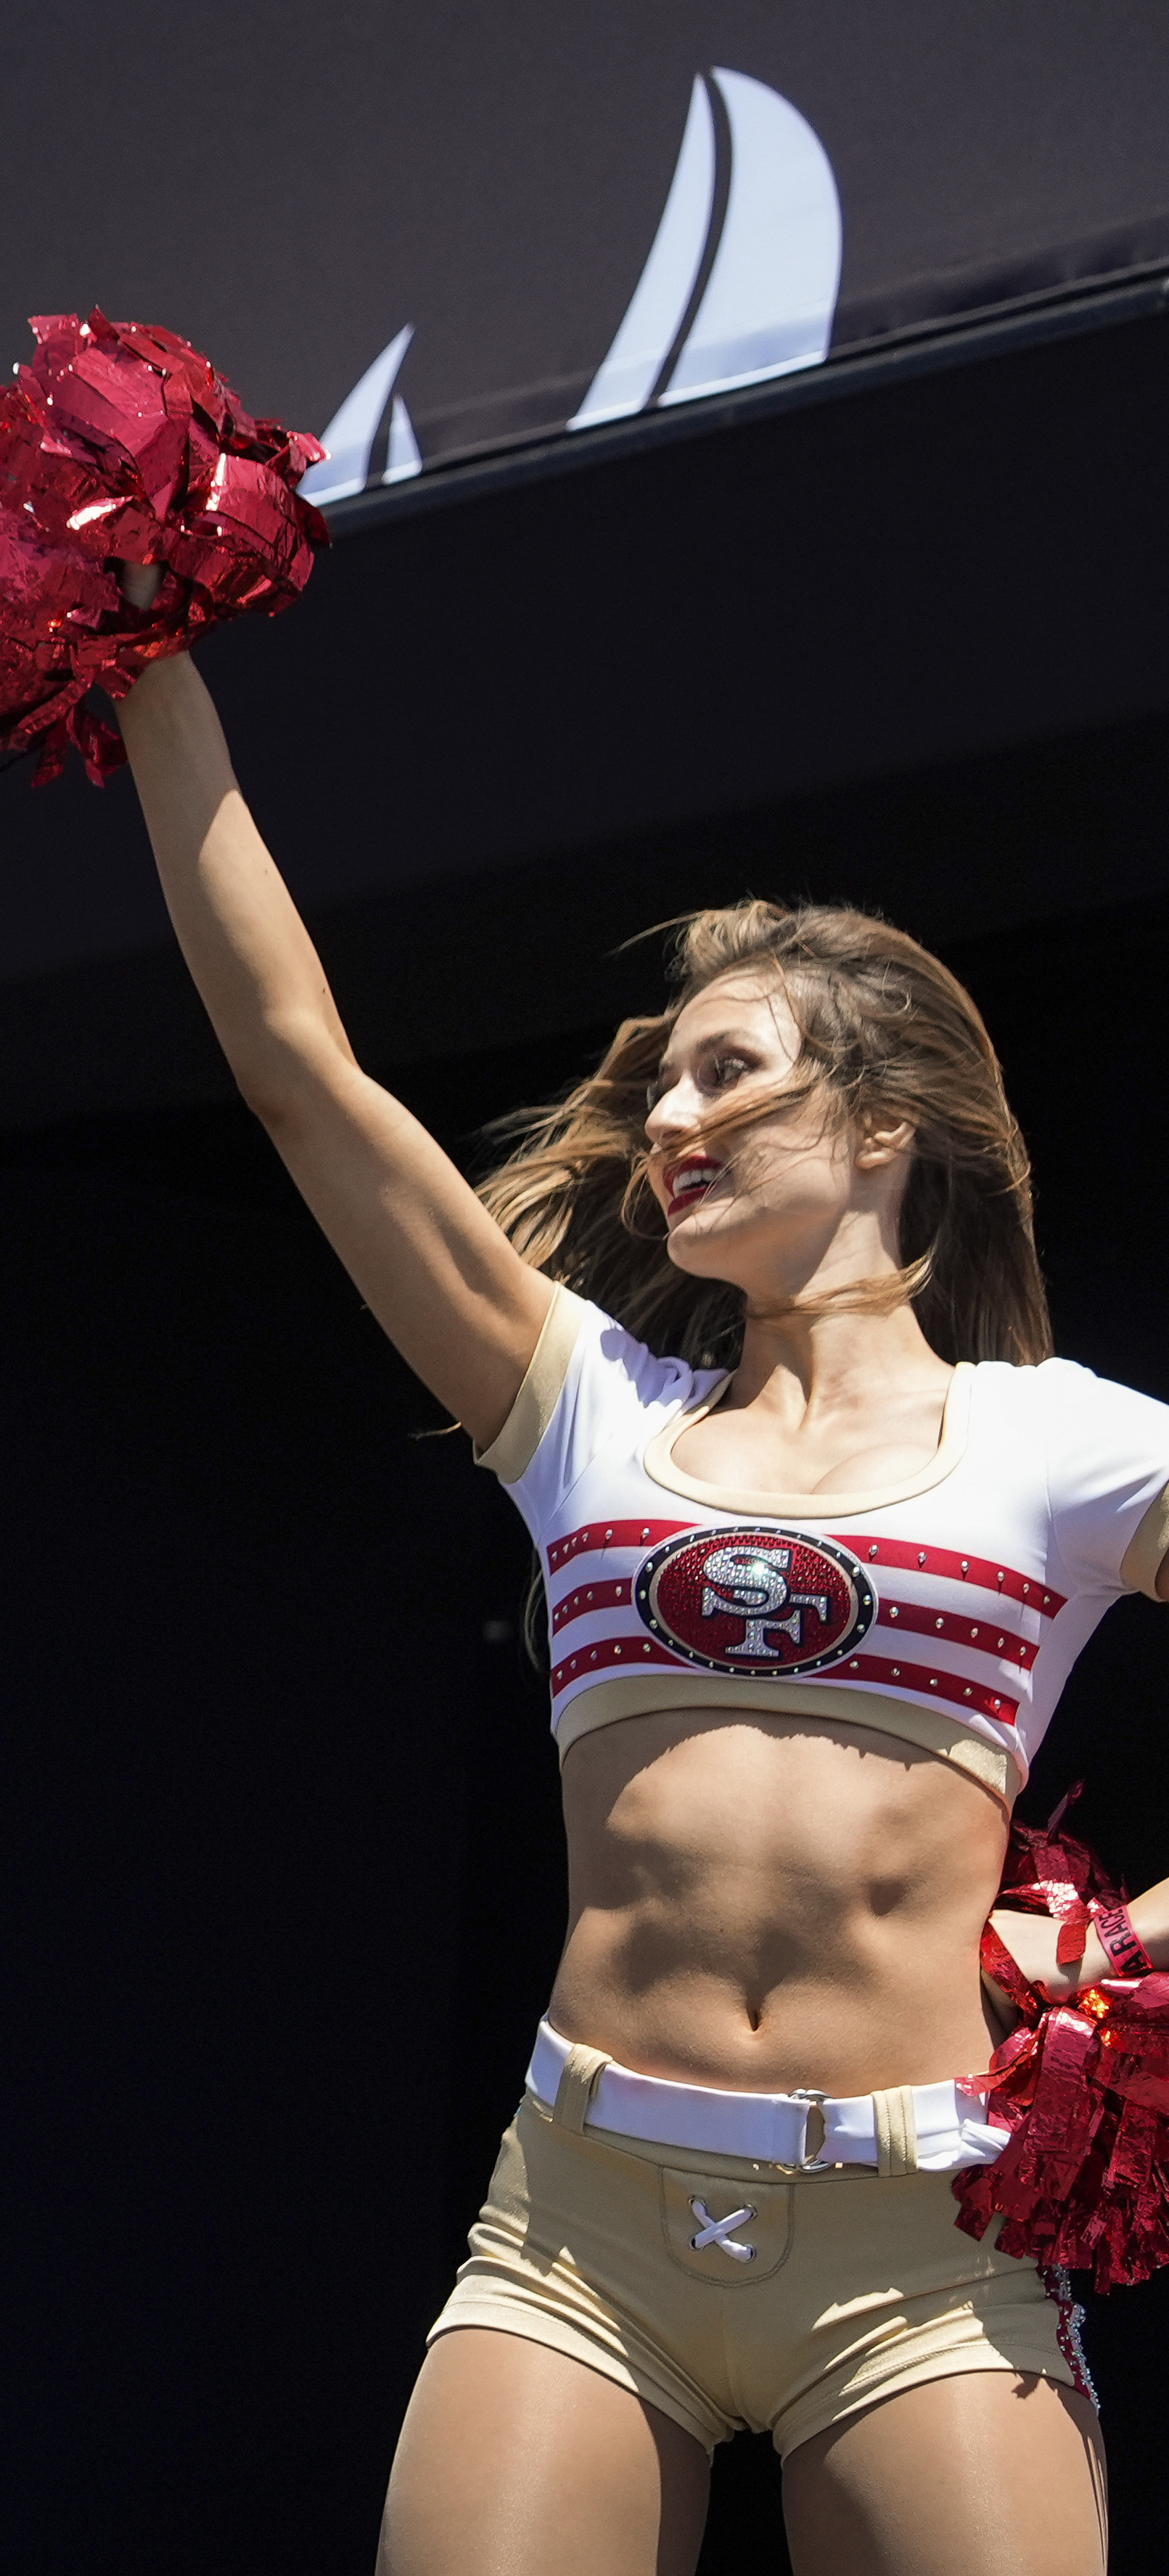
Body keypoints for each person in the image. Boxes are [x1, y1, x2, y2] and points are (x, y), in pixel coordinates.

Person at [111, 587, 1151, 2572]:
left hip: (921, 2255)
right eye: (656, 1081)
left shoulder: (1061, 1445)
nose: (663, 1119)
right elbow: (292, 1068)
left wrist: (1134, 1959)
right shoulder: (579, 1402)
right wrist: (143, 670)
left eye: (724, 1073)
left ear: (880, 1119)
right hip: (573, 2224)